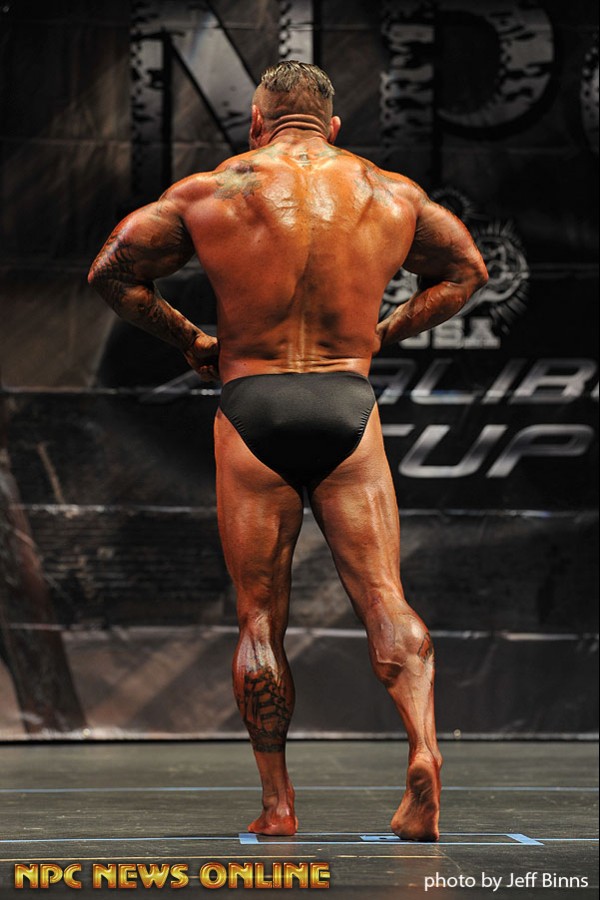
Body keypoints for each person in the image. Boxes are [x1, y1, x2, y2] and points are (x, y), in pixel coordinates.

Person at [88, 60, 488, 842]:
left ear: (256, 122)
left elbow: (111, 273)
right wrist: (385, 331)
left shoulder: (214, 190)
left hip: (253, 408)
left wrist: (191, 340)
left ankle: (278, 806)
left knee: (259, 623)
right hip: (347, 406)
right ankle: (424, 752)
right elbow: (468, 271)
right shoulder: (389, 193)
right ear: (333, 126)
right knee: (385, 599)